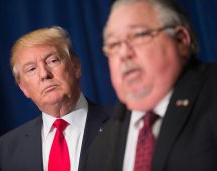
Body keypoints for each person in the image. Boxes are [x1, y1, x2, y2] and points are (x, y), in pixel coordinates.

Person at [82, 0, 217, 171]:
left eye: (139, 35)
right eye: (114, 44)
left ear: (181, 40)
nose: (123, 54)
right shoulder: (99, 150)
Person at [0, 26, 110, 171]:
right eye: (31, 69)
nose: (44, 74)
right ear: (23, 88)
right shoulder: (2, 152)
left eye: (52, 61)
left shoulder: (121, 123)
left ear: (76, 67)